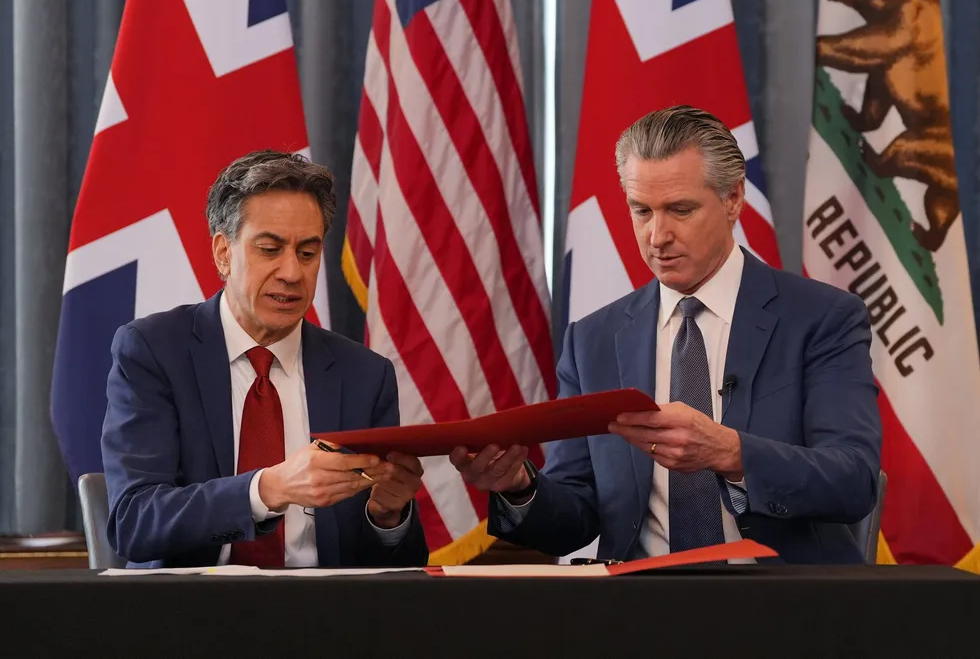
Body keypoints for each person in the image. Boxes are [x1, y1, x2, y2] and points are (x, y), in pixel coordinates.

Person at [450, 105, 882, 564]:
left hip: (784, 598)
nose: (657, 236)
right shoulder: (593, 341)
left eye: (680, 210)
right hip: (639, 599)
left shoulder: (821, 318)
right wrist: (520, 487)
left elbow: (854, 480)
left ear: (733, 199)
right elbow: (575, 517)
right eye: (642, 211)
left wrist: (731, 453)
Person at [102, 150, 428, 568]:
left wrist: (386, 516)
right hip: (192, 602)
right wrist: (268, 489)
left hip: (325, 606)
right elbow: (134, 522)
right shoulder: (154, 351)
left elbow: (396, 568)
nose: (292, 273)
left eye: (307, 254)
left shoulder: (365, 375)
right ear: (223, 253)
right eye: (270, 249)